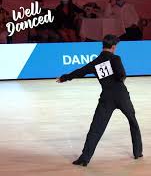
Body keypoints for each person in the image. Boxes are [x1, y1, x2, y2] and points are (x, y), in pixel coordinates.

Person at [56, 34, 143, 166]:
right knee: (133, 122)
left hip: (106, 98)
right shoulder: (115, 58)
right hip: (121, 96)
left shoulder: (95, 62)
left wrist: (64, 78)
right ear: (113, 47)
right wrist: (119, 78)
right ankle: (138, 153)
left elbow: (80, 71)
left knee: (96, 128)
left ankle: (84, 158)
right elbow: (122, 75)